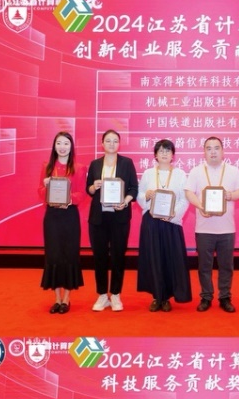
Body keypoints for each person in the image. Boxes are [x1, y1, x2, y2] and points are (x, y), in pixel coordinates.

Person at [185, 136, 239, 312]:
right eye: (209, 148)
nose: (213, 152)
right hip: (204, 228)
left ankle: (225, 297)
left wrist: (230, 195)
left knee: (226, 266)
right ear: (204, 152)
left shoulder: (233, 171)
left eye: (216, 148)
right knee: (204, 266)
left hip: (227, 228)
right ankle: (206, 296)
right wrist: (200, 206)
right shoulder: (196, 171)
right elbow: (189, 192)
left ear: (223, 151)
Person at [136, 138, 191, 311]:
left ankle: (166, 297)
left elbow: (184, 199)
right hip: (151, 221)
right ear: (155, 155)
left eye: (168, 151)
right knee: (153, 258)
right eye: (161, 151)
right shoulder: (148, 174)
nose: (164, 154)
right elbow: (139, 194)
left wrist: (174, 215)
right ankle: (156, 297)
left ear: (173, 155)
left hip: (171, 223)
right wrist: (146, 196)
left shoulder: (180, 174)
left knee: (170, 259)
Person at [86, 128, 138, 311]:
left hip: (119, 217)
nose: (111, 144)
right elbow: (88, 189)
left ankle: (115, 294)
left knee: (118, 256)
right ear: (102, 143)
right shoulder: (95, 164)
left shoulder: (127, 163)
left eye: (115, 141)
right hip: (98, 218)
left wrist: (126, 201)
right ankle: (102, 295)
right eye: (108, 140)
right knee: (99, 257)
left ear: (119, 144)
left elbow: (134, 188)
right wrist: (94, 186)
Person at [40, 132, 83, 313]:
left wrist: (68, 199)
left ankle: (67, 299)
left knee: (69, 255)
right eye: (59, 143)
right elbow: (40, 191)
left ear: (71, 146)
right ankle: (57, 298)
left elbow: (81, 194)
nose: (62, 147)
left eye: (66, 143)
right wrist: (46, 185)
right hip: (52, 217)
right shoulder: (47, 167)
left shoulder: (79, 168)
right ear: (54, 146)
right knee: (54, 255)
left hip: (70, 216)